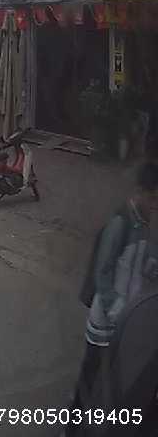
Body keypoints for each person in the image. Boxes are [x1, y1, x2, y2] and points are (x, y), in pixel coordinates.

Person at [69, 162, 158, 428]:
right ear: (140, 192)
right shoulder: (120, 224)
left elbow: (141, 264)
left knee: (110, 380)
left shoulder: (143, 225)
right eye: (153, 198)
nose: (155, 205)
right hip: (106, 322)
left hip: (123, 323)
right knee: (90, 377)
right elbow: (103, 274)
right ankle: (72, 426)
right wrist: (119, 312)